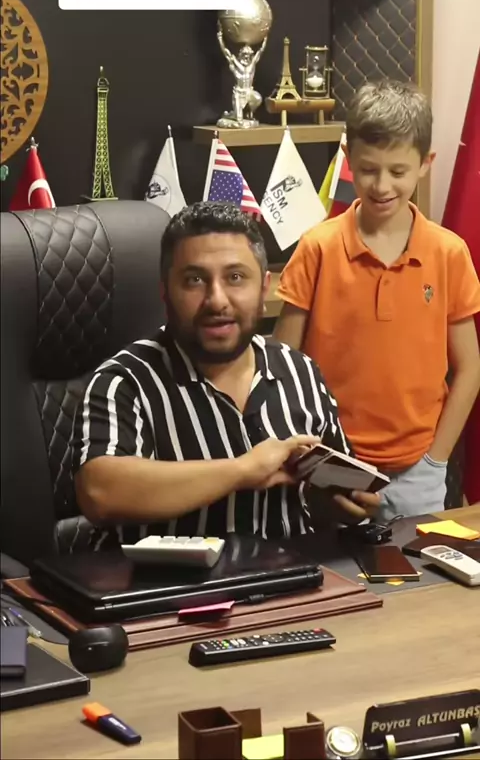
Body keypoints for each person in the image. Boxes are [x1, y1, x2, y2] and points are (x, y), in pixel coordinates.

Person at [71, 201, 379, 546]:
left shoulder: (300, 371)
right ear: (165, 292)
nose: (217, 300)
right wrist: (244, 470)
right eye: (194, 280)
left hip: (293, 573)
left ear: (263, 289)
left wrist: (338, 505)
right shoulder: (125, 381)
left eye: (235, 278)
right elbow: (100, 493)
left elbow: (336, 489)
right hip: (169, 580)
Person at [273, 80, 480, 523]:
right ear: (349, 159)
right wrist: (313, 460)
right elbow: (282, 367)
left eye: (398, 172)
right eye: (368, 169)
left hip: (419, 473)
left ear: (425, 164)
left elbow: (470, 368)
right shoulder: (317, 248)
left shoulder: (449, 253)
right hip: (331, 466)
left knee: (413, 570)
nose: (382, 185)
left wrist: (436, 461)